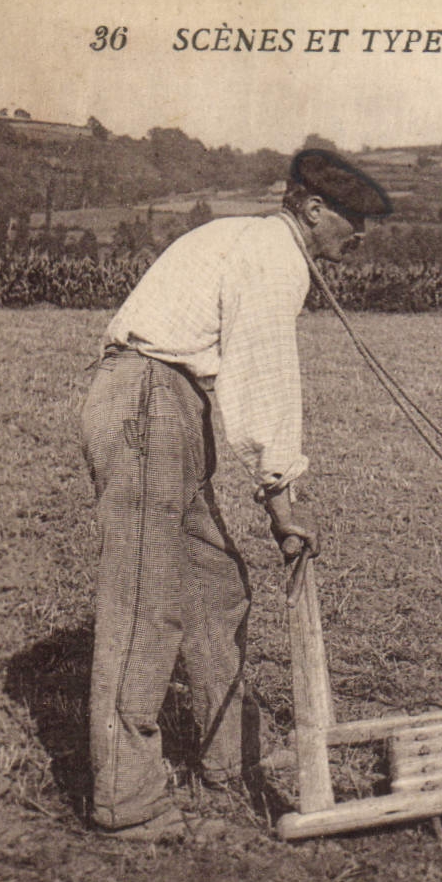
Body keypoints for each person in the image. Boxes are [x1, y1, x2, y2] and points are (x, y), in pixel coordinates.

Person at [81, 149, 391, 840]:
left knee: (215, 585)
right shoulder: (274, 256)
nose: (362, 235)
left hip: (171, 405)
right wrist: (281, 500)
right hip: (147, 400)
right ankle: (127, 802)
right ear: (314, 210)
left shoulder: (256, 242)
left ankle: (232, 754)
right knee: (145, 604)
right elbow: (262, 378)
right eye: (355, 219)